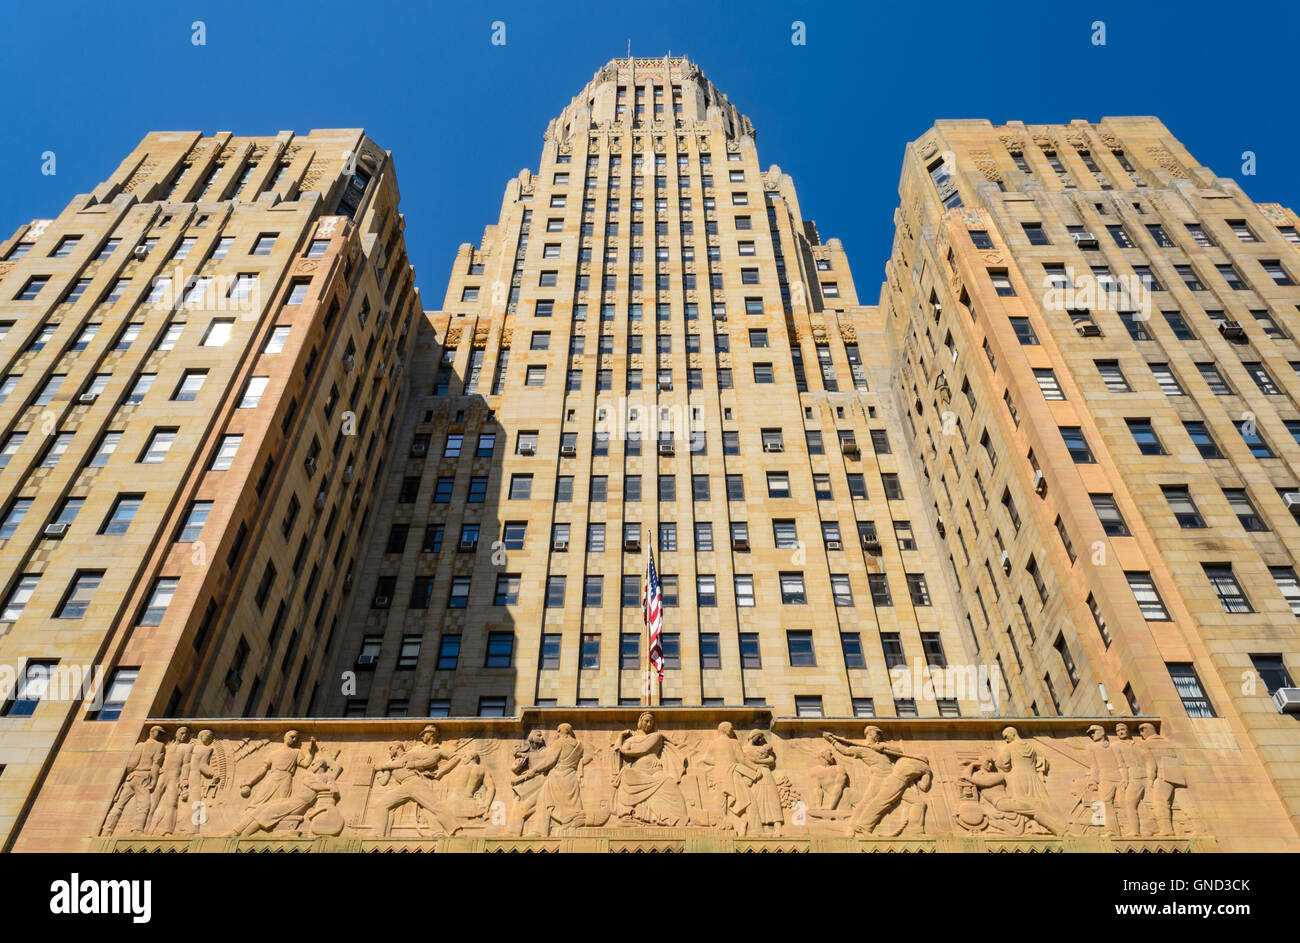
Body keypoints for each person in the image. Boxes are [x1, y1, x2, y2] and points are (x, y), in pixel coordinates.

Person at [824, 726, 930, 835]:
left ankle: (917, 831)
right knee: (866, 802)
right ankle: (852, 828)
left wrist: (882, 746)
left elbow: (899, 751)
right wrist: (832, 741)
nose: (879, 735)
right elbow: (845, 750)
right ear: (869, 733)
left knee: (919, 802)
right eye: (877, 733)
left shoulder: (882, 748)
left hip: (894, 778)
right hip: (879, 778)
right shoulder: (862, 749)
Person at [613, 712, 688, 826]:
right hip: (638, 771)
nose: (649, 724)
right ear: (640, 722)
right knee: (626, 775)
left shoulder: (656, 736)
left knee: (670, 785)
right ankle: (632, 816)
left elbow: (643, 749)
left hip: (655, 770)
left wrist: (626, 750)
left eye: (651, 722)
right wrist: (620, 736)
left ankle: (677, 819)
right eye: (646, 721)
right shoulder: (631, 740)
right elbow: (618, 751)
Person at [102, 726, 165, 835]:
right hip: (143, 777)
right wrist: (154, 780)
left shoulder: (140, 745)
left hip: (131, 777)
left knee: (119, 804)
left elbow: (131, 765)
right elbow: (155, 765)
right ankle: (137, 830)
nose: (160, 736)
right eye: (159, 733)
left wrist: (132, 772)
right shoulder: (159, 746)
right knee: (144, 805)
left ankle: (107, 830)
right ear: (152, 732)